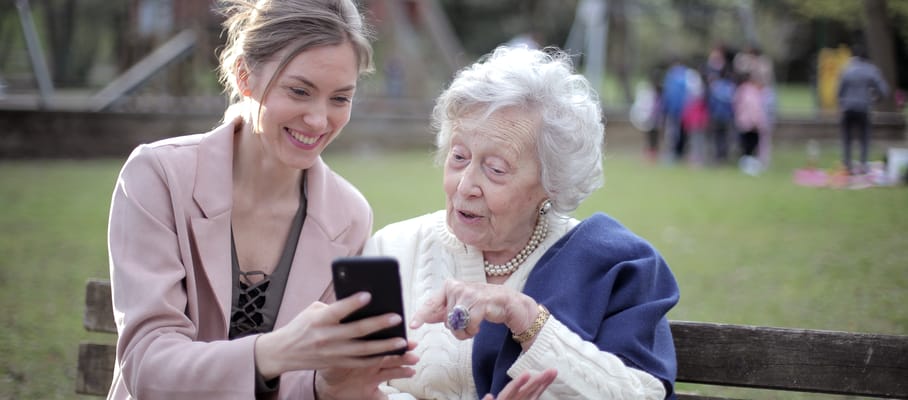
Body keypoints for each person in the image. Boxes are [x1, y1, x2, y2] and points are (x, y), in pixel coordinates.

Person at [105, 1, 416, 399]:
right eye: (299, 91)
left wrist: (328, 384)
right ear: (244, 76)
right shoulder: (158, 177)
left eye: (340, 98)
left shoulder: (349, 215)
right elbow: (148, 366)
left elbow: (304, 385)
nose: (319, 120)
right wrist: (274, 351)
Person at [360, 46, 680, 399]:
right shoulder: (391, 250)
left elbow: (645, 394)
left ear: (552, 183)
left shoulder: (611, 264)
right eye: (458, 156)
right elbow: (351, 386)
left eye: (496, 169)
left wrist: (527, 319)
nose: (465, 186)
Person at [837, 43, 890, 175]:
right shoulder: (871, 70)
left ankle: (847, 165)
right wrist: (875, 100)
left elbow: (839, 92)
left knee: (847, 138)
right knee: (864, 138)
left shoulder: (846, 69)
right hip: (863, 108)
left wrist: (844, 102)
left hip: (848, 108)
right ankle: (863, 165)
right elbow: (884, 91)